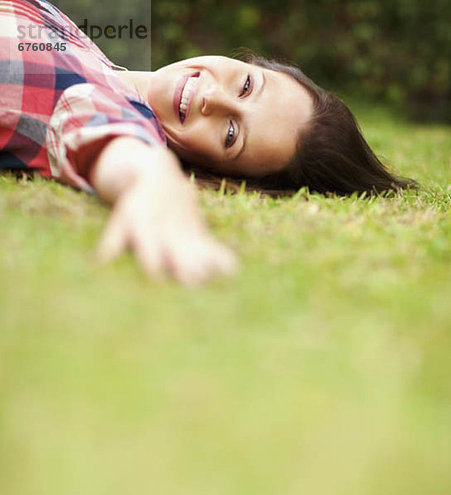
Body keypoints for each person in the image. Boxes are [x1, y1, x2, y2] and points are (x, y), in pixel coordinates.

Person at [0, 0, 417, 285]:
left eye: (231, 134)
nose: (213, 99)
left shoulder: (98, 102)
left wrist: (156, 179)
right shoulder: (85, 50)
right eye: (247, 85)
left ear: (211, 170)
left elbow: (117, 142)